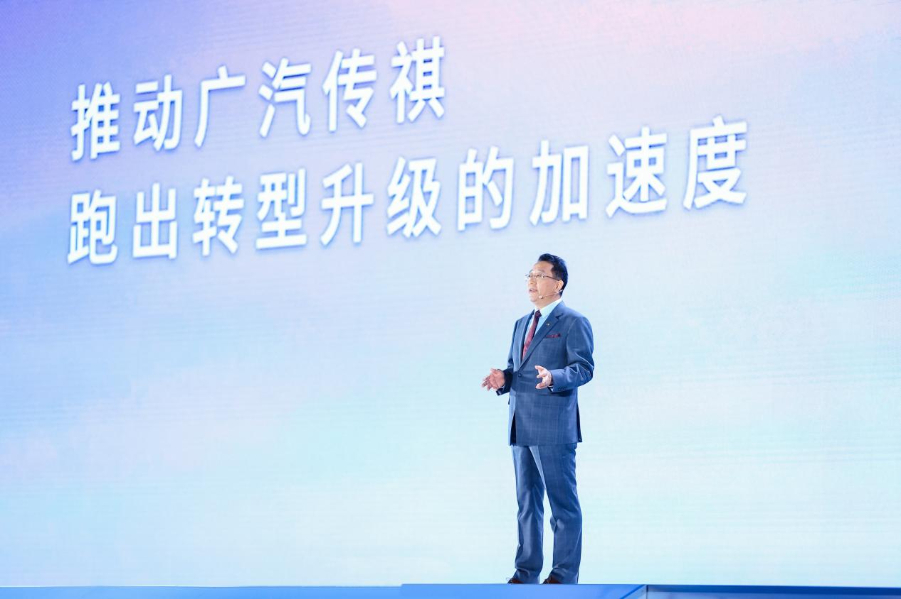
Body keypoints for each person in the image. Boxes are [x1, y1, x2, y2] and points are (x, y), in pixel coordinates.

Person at [481, 253, 595, 585]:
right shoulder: (521, 323)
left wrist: (555, 377)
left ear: (558, 284)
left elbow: (583, 368)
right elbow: (515, 369)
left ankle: (563, 576)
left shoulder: (573, 322)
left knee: (562, 506)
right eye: (529, 274)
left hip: (554, 426)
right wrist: (504, 378)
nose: (531, 281)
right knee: (527, 505)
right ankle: (526, 572)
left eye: (540, 275)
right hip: (521, 425)